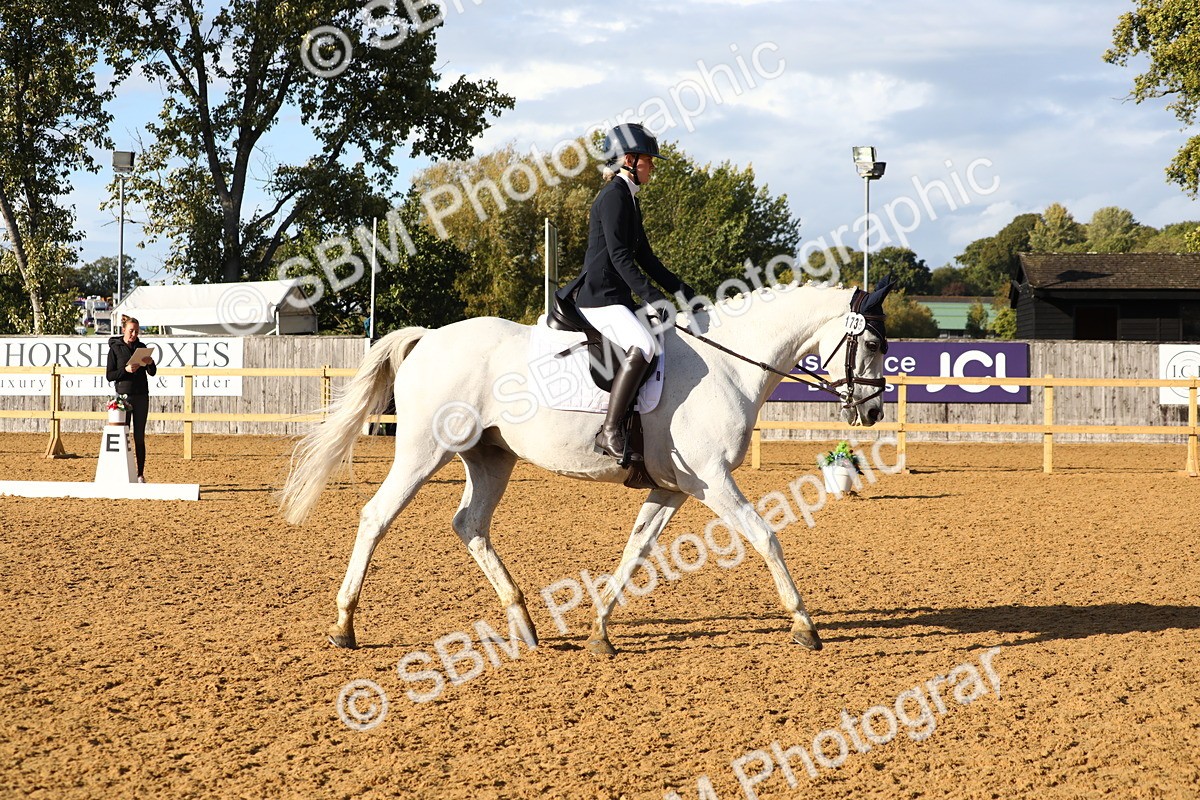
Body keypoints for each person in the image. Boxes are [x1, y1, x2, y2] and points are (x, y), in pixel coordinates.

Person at [576, 122, 696, 461]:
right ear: (629, 159)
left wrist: (679, 288)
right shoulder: (614, 196)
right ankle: (610, 430)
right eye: (648, 160)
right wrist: (654, 298)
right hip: (599, 296)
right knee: (643, 344)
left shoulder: (628, 197)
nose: (652, 167)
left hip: (616, 296)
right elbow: (619, 257)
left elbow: (644, 256)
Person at [105, 315, 157, 483]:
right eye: (131, 331)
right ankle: (122, 473)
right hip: (123, 397)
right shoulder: (115, 348)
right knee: (123, 435)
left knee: (139, 436)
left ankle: (140, 474)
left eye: (136, 331)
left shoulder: (141, 347)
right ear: (123, 330)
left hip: (141, 395)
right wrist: (126, 370)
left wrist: (150, 363)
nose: (134, 334)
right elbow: (109, 375)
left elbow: (152, 372)